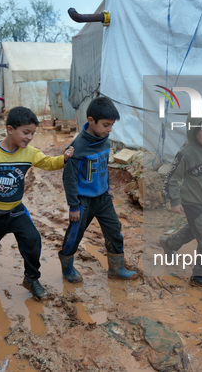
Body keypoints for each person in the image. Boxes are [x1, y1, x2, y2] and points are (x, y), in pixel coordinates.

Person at [0, 106, 74, 300]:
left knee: (33, 240)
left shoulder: (29, 153)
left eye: (32, 133)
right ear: (10, 129)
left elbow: (48, 163)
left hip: (15, 212)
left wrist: (63, 159)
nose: (30, 137)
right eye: (26, 132)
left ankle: (31, 279)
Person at [59, 96, 138, 283]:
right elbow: (68, 178)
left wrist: (108, 187)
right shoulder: (77, 147)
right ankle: (67, 268)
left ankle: (116, 269)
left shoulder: (105, 140)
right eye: (105, 125)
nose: (109, 129)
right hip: (83, 201)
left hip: (103, 198)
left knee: (114, 229)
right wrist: (73, 206)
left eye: (112, 125)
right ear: (91, 121)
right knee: (74, 234)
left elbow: (104, 167)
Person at [160, 111, 202, 288]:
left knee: (195, 229)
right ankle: (200, 276)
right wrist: (174, 201)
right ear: (193, 132)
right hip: (192, 203)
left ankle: (168, 243)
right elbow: (171, 178)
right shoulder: (186, 154)